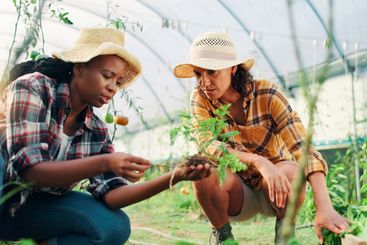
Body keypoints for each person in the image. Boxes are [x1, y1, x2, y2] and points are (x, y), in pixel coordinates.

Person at [0, 27, 211, 245]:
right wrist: (105, 162)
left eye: (118, 82)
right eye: (107, 76)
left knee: (113, 226)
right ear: (80, 68)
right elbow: (31, 171)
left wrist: (174, 177)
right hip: (4, 195)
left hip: (31, 210)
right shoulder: (34, 88)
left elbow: (113, 195)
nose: (112, 88)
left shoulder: (96, 131)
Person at [173, 31, 349, 244]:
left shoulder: (267, 94)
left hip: (275, 189)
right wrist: (258, 160)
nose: (204, 82)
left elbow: (302, 147)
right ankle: (224, 238)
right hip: (235, 192)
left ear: (233, 68)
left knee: (293, 173)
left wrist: (324, 207)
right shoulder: (201, 99)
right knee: (203, 174)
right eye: (198, 74)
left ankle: (284, 235)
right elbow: (208, 143)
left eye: (212, 71)